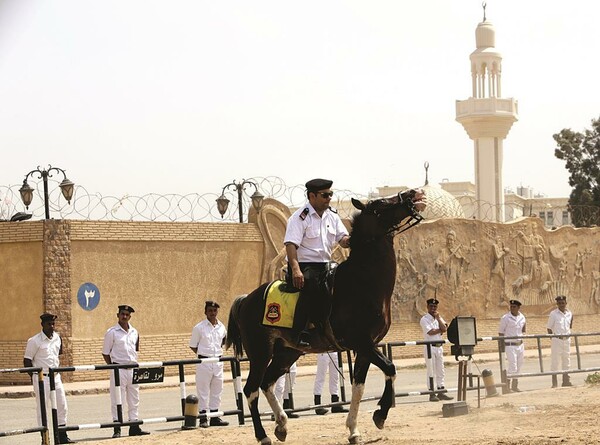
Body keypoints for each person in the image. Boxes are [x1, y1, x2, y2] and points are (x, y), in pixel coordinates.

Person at [283, 178, 350, 347]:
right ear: (312, 196)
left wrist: (352, 240)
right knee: (312, 285)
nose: (329, 198)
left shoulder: (332, 216)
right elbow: (291, 244)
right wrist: (296, 270)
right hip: (303, 265)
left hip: (325, 265)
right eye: (325, 195)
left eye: (330, 194)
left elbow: (342, 238)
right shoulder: (300, 217)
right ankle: (300, 332)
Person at [24, 313, 75, 444]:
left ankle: (62, 435)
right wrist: (36, 377)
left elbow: (57, 355)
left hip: (56, 377)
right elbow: (27, 361)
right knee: (42, 408)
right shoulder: (34, 341)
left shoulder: (57, 338)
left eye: (53, 324)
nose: (51, 326)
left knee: (62, 405)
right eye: (48, 324)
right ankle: (44, 437)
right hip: (42, 378)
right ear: (42, 325)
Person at [102, 305, 150, 437]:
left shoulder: (134, 332)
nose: (124, 316)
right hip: (119, 369)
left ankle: (134, 426)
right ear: (118, 315)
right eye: (122, 314)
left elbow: (135, 351)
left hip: (133, 369)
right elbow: (105, 353)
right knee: (118, 399)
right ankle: (117, 427)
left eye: (127, 315)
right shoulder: (112, 332)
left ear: (130, 317)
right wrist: (113, 367)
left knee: (134, 398)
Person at [189, 300, 229, 428]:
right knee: (203, 391)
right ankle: (203, 418)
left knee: (217, 390)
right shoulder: (199, 328)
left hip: (218, 361)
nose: (212, 313)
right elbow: (193, 346)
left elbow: (222, 342)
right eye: (210, 310)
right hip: (204, 362)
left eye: (215, 310)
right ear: (205, 312)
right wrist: (204, 354)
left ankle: (215, 416)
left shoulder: (222, 327)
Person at [420, 298, 453, 402]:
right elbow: (430, 331)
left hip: (439, 347)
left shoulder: (438, 318)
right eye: (431, 306)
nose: (433, 308)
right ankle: (431, 392)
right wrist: (441, 329)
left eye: (435, 307)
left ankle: (441, 390)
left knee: (441, 370)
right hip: (430, 347)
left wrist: (438, 319)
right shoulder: (424, 319)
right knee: (431, 371)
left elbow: (445, 328)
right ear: (427, 307)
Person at [499, 300, 526, 392]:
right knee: (512, 365)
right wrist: (501, 345)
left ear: (518, 308)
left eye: (514, 307)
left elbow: (523, 329)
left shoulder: (522, 317)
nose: (512, 308)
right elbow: (501, 332)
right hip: (510, 345)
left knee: (519, 366)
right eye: (511, 306)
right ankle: (507, 386)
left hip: (520, 344)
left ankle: (515, 386)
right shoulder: (505, 318)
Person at [547, 295, 574, 388]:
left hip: (566, 340)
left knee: (567, 360)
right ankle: (554, 383)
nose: (561, 305)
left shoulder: (569, 313)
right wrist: (554, 339)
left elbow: (570, 326)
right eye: (559, 303)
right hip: (557, 340)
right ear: (557, 304)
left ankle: (566, 381)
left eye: (563, 303)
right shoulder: (553, 314)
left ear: (566, 303)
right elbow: (549, 328)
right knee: (555, 361)